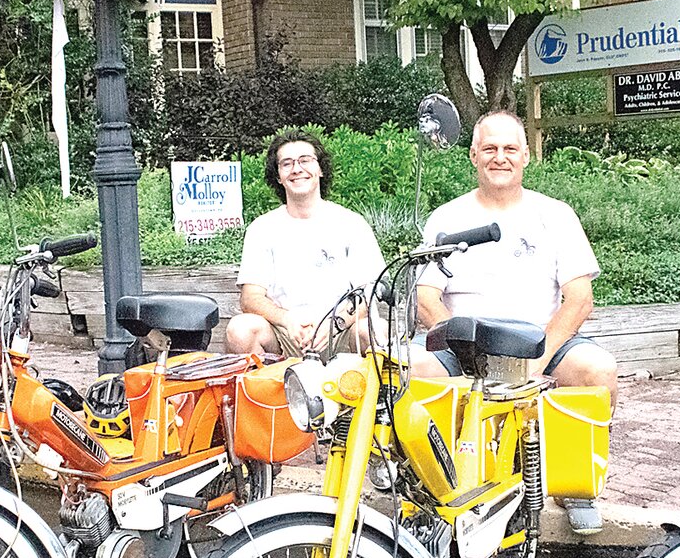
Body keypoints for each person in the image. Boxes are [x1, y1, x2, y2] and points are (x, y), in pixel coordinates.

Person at [415, 109, 617, 532]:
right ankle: (431, 486)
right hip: (462, 341)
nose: (500, 157)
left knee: (596, 370)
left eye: (510, 148)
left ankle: (575, 485)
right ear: (473, 155)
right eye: (489, 148)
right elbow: (426, 296)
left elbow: (579, 301)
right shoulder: (446, 218)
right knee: (410, 369)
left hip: (539, 340)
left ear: (526, 155)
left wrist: (535, 359)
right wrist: (463, 349)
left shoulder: (555, 214)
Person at [226, 129, 384, 358]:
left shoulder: (351, 223)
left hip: (341, 332)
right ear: (278, 176)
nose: (297, 169)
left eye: (305, 160)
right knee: (239, 329)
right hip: (285, 336)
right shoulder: (262, 228)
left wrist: (335, 322)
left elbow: (369, 294)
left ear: (320, 169)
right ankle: (262, 393)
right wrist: (286, 318)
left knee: (374, 329)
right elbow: (250, 298)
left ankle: (375, 394)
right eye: (287, 163)